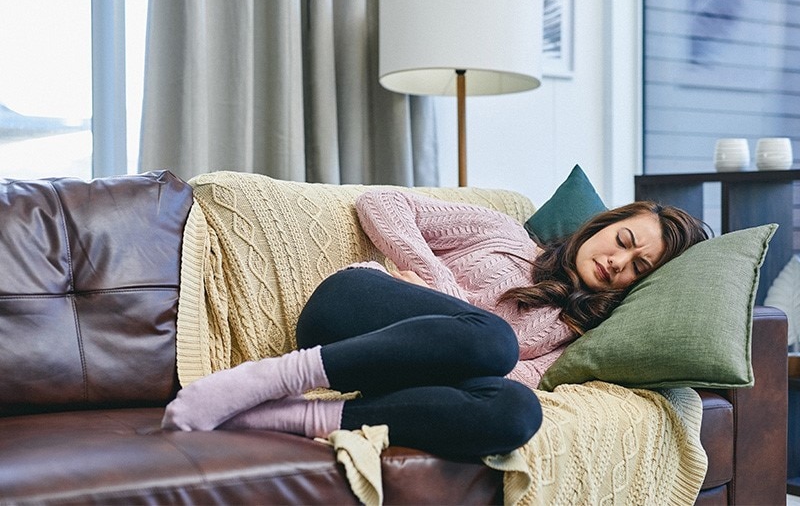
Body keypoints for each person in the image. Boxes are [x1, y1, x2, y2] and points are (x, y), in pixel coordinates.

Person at [161, 189, 708, 460]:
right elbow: (384, 204)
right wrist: (438, 281)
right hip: (353, 310)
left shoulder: (575, 332)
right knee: (493, 340)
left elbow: (518, 380)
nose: (618, 261)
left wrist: (464, 335)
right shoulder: (504, 235)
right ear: (605, 225)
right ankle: (268, 378)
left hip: (402, 375)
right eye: (624, 242)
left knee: (518, 411)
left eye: (637, 268)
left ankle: (298, 417)